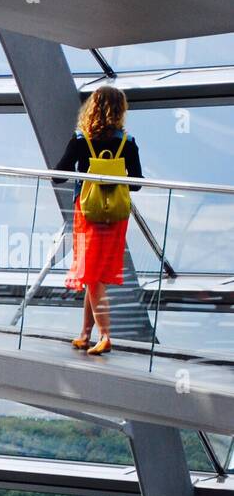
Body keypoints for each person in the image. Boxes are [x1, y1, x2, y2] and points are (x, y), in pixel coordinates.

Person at [51, 85, 143, 357]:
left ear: (92, 108)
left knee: (91, 275)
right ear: (119, 111)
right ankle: (85, 334)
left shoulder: (81, 140)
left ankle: (104, 335)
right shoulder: (127, 142)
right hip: (114, 216)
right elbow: (136, 183)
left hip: (88, 214)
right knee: (95, 276)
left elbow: (58, 176)